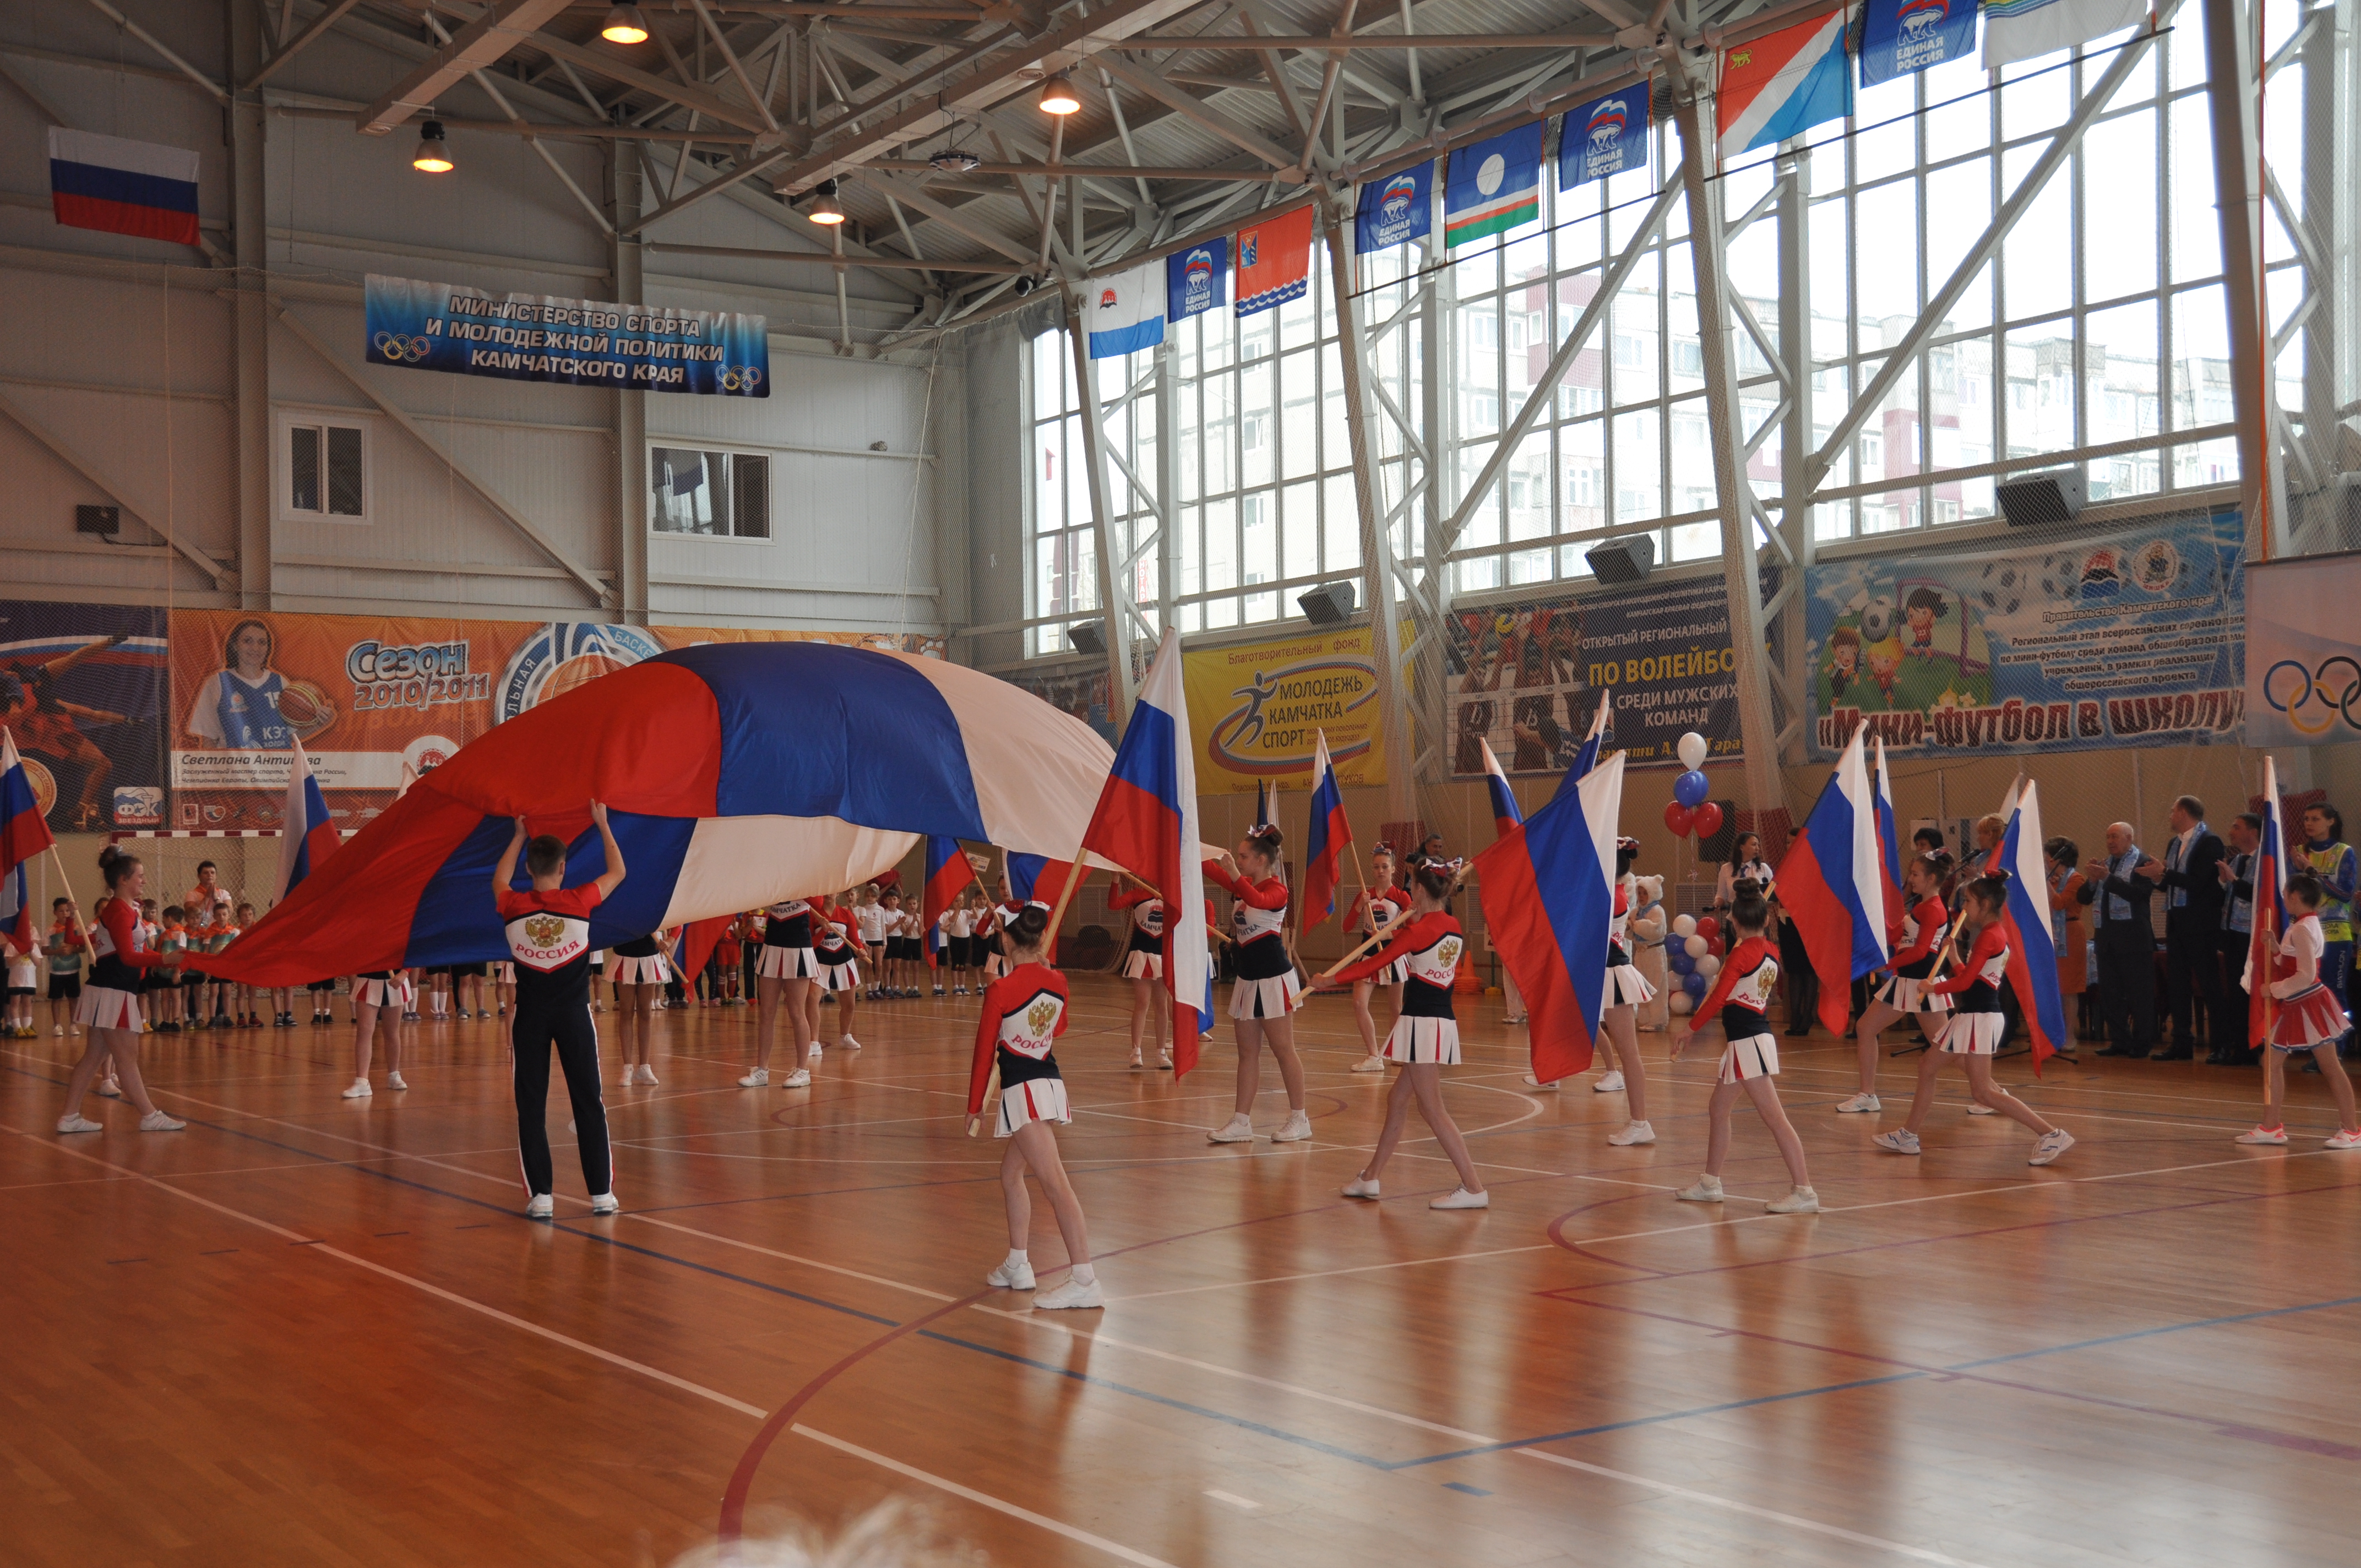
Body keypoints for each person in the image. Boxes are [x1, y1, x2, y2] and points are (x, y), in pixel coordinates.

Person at [1316, 858, 1490, 1209]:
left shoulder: (1417, 932)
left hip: (1423, 1022)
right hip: (1436, 1019)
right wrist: (1412, 920)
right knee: (1397, 1100)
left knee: (1433, 1109)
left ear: (1421, 890)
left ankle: (1474, 1187)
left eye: (1411, 885)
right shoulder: (1452, 925)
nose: (1408, 889)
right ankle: (1370, 1178)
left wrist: (1328, 981)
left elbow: (1372, 964)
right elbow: (1415, 943)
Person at [1874, 875, 2076, 1166]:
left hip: (1979, 1018)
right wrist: (1955, 957)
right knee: (1928, 1066)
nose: (1964, 907)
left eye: (1968, 901)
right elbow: (1973, 976)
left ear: (1985, 904)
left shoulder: (1989, 936)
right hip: (1974, 1016)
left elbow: (1967, 983)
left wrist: (1933, 988)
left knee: (1982, 1092)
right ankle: (1908, 1135)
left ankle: (2050, 1133)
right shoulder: (1993, 933)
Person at [491, 803, 627, 1219]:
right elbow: (619, 872)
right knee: (589, 1101)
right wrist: (603, 824)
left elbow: (498, 877)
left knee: (530, 1105)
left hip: (529, 1016)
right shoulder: (580, 899)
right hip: (574, 1016)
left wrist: (516, 836)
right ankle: (601, 1194)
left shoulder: (511, 904)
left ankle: (542, 1197)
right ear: (564, 868)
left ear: (528, 870)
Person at [970, 902, 1102, 1309]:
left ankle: (1084, 1278)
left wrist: (975, 1106)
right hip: (1046, 1082)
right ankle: (1018, 1263)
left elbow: (983, 1052)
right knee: (1011, 1175)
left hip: (1023, 1091)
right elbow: (1058, 1027)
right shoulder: (1058, 980)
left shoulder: (1000, 989)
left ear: (1006, 939)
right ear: (1041, 938)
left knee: (1056, 1184)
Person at [1671, 891, 1818, 1213]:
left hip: (1748, 1043)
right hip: (1745, 1041)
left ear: (1734, 922)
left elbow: (1717, 1000)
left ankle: (1804, 1191)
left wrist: (1688, 1030)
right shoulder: (1771, 951)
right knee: (1718, 1109)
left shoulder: (1741, 955)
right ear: (1766, 920)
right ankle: (1711, 1183)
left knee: (1776, 1120)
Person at [53, 845, 185, 1134]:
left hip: (108, 988)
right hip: (114, 990)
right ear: (123, 880)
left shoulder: (120, 910)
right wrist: (163, 959)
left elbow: (94, 942)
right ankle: (150, 1115)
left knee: (93, 1057)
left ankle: (69, 1117)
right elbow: (127, 956)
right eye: (140, 876)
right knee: (127, 1057)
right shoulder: (120, 912)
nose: (144, 881)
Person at [2235, 872, 2361, 1148]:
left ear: (2294, 897)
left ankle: (2352, 1130)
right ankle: (2271, 1126)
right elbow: (2294, 960)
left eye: (2285, 895)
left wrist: (2274, 989)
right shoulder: (2306, 924)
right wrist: (2276, 947)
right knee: (2272, 1061)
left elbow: (2306, 974)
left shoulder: (2303, 929)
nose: (2283, 899)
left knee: (2330, 1067)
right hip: (2298, 1003)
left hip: (2308, 1003)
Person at [1203, 825, 1312, 1144]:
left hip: (1274, 978)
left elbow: (1258, 899)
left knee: (1283, 1050)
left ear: (1261, 860)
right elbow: (1211, 870)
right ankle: (1241, 1121)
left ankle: (1299, 1117)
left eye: (1243, 856)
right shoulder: (1243, 884)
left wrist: (1235, 874)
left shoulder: (1277, 890)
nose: (1237, 860)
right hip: (1248, 979)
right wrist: (1187, 842)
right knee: (1247, 1053)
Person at [1843, 849, 1955, 1114]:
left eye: (1916, 874)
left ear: (1930, 879)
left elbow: (1921, 951)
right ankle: (1867, 1094)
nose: (1911, 879)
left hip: (1922, 984)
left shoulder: (1934, 909)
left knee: (1949, 1047)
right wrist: (1870, 915)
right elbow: (1897, 934)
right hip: (1906, 981)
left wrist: (1887, 965)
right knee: (1866, 1028)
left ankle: (1989, 1090)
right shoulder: (1921, 906)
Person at [2153, 795, 2225, 1061]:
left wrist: (2164, 874)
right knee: (2178, 984)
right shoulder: (2175, 843)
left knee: (2209, 983)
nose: (2170, 816)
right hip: (2177, 922)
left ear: (2183, 812)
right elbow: (2169, 883)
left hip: (2201, 924)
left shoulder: (2210, 842)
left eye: (2173, 811)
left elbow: (2199, 883)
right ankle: (2182, 1043)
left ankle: (2221, 1043)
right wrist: (2156, 876)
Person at [2079, 822, 2158, 1057]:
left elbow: (2140, 895)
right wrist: (2093, 880)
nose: (2110, 842)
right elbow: (2083, 898)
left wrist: (2108, 878)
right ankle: (2120, 1041)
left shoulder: (2143, 863)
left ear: (2129, 838)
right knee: (2111, 994)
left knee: (2139, 995)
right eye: (2108, 837)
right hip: (2107, 940)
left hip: (2134, 941)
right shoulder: (2107, 864)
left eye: (2115, 837)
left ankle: (2143, 1044)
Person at [1597, 840, 1656, 1143]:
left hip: (1613, 973)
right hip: (1602, 971)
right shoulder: (1611, 891)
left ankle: (1639, 1122)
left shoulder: (1612, 895)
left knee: (1629, 1053)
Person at [2294, 802, 2355, 1055]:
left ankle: (2338, 1047)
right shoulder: (2297, 852)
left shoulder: (2344, 852)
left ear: (2331, 822)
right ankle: (2314, 1047)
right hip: (2305, 934)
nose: (2309, 823)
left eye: (2316, 819)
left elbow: (2345, 893)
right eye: (2306, 818)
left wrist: (2311, 872)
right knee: (2306, 990)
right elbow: (2293, 892)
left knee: (2333, 990)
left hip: (2336, 935)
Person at [1342, 846, 1408, 1074]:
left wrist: (1393, 934)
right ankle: (1374, 1055)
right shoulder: (1365, 894)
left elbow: (1415, 928)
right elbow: (1346, 927)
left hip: (1393, 954)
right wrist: (1360, 906)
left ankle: (1397, 1051)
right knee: (1359, 1003)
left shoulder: (1402, 897)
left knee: (1395, 1007)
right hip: (1368, 953)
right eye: (1377, 867)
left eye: (1385, 867)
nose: (1381, 871)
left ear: (1393, 869)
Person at [183, 617, 293, 750]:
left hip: (277, 769)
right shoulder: (218, 682)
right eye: (248, 641)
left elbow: (292, 735)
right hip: (235, 769)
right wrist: (215, 770)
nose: (255, 648)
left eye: (262, 642)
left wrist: (320, 723)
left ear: (268, 648)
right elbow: (208, 740)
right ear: (235, 646)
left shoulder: (280, 682)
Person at [744, 895, 819, 1088]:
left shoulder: (807, 883)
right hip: (772, 945)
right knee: (766, 1012)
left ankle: (803, 1070)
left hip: (798, 948)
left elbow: (818, 902)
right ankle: (762, 1070)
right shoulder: (776, 880)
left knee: (796, 1012)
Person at [2213, 813, 2261, 1065]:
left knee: (2249, 993)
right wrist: (2224, 883)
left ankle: (2252, 1048)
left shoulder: (2266, 860)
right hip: (2232, 934)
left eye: (2236, 826)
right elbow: (2232, 894)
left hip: (2252, 937)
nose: (2231, 831)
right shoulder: (2237, 859)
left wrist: (2233, 879)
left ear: (2252, 832)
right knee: (2234, 991)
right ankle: (2239, 1047)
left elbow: (2259, 895)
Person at [1109, 878, 1172, 1070]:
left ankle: (1161, 1053)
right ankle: (1136, 1052)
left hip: (1163, 955)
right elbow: (1114, 905)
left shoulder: (1172, 896)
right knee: (1142, 1002)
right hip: (1141, 953)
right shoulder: (1138, 893)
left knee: (1161, 1005)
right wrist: (1115, 880)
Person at [609, 925, 670, 1086]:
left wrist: (669, 941)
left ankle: (644, 1067)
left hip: (649, 956)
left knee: (645, 1012)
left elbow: (678, 923)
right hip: (624, 956)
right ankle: (627, 1067)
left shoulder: (654, 904)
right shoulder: (619, 905)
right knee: (626, 1011)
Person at [341, 964, 410, 1099]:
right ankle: (362, 1081)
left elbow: (414, 952)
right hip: (368, 980)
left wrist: (404, 973)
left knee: (392, 1032)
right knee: (364, 1031)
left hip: (395, 980)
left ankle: (394, 1075)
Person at [2044, 837, 2089, 1043]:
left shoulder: (2076, 879)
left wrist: (2047, 884)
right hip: (2051, 933)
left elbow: (2061, 903)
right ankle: (2053, 1034)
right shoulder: (2052, 880)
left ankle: (2070, 1035)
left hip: (2070, 934)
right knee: (2054, 987)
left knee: (2069, 988)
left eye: (2049, 858)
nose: (2046, 861)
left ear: (2057, 858)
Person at [45, 897, 84, 1038]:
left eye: (68, 910)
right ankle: (57, 1025)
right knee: (56, 998)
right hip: (56, 971)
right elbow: (44, 950)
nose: (65, 914)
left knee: (73, 998)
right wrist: (57, 952)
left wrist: (73, 949)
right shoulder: (51, 931)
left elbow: (83, 949)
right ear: (55, 912)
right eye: (61, 911)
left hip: (73, 970)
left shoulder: (76, 929)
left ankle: (74, 1024)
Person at [1713, 832, 1774, 912]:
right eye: (1754, 845)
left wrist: (1763, 904)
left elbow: (1773, 894)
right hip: (1735, 914)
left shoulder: (1763, 868)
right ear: (1742, 847)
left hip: (1757, 914)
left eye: (1758, 845)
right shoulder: (1726, 868)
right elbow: (1721, 895)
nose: (1757, 848)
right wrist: (1717, 903)